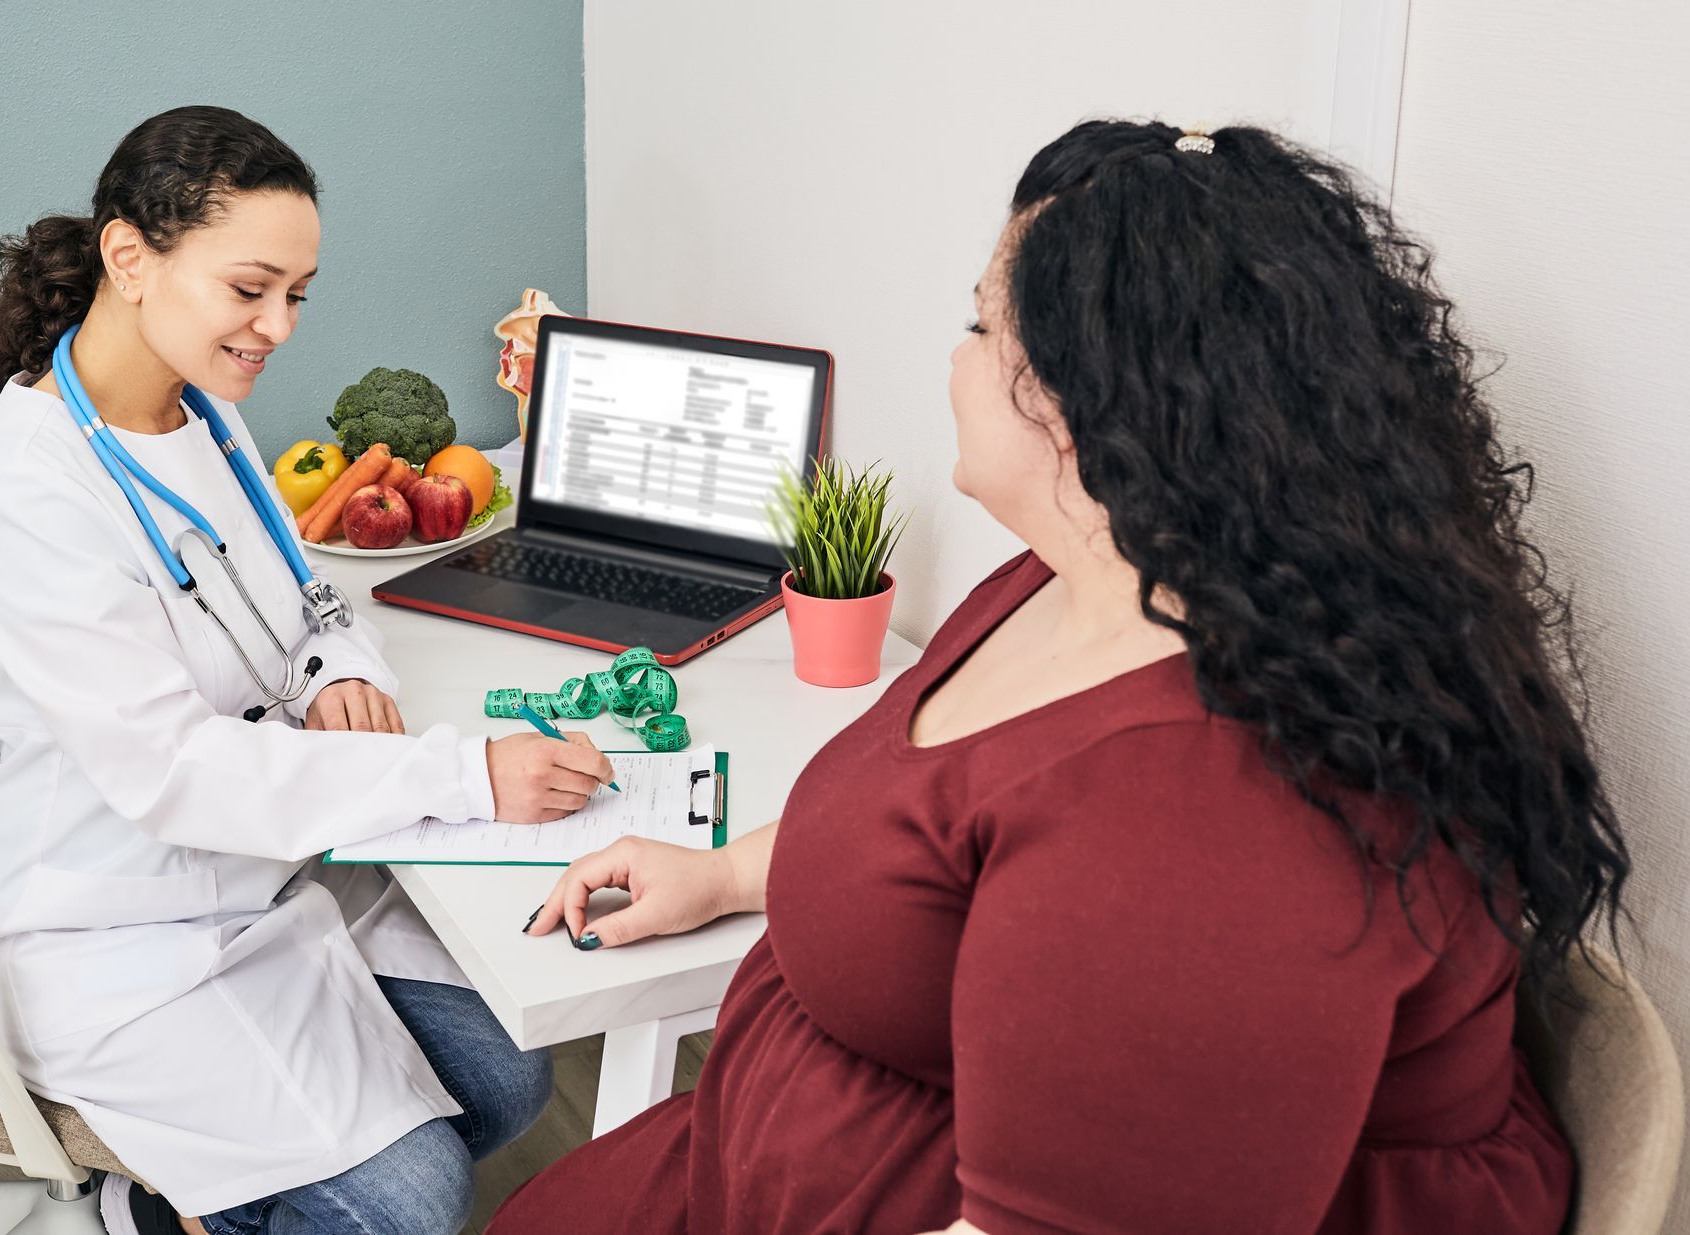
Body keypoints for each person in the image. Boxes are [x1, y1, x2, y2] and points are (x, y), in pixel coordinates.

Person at [490, 120, 1631, 1235]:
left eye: (981, 326)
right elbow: (930, 824)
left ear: (1097, 402)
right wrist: (730, 872)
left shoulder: (1207, 821)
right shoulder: (1077, 573)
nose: (955, 359)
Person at [0, 105, 614, 1235]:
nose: (279, 326)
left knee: (510, 1077)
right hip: (112, 924)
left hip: (269, 871)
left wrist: (333, 666)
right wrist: (465, 777)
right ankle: (127, 1214)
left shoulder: (199, 409)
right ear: (129, 258)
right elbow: (179, 773)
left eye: (296, 294)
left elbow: (302, 591)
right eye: (251, 288)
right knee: (413, 1201)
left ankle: (197, 1204)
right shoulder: (36, 487)